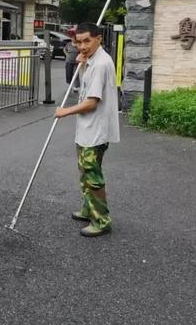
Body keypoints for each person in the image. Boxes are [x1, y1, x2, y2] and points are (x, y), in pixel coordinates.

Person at [54, 22, 120, 237]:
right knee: (84, 172)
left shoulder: (101, 64)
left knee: (92, 176)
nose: (82, 46)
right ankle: (88, 208)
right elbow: (85, 88)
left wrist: (65, 111)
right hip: (87, 128)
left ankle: (101, 220)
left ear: (99, 39)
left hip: (95, 130)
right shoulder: (92, 61)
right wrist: (82, 65)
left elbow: (91, 102)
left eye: (87, 41)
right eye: (79, 41)